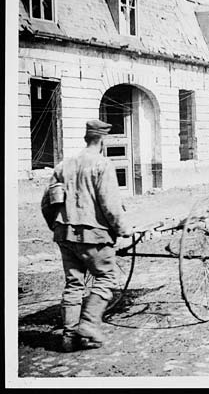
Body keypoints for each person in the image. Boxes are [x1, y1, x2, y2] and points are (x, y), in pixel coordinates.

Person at [41, 120, 133, 352]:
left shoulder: (64, 165)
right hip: (94, 235)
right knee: (105, 278)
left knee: (73, 283)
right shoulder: (103, 164)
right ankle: (89, 324)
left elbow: (46, 204)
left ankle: (69, 337)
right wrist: (124, 230)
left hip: (65, 233)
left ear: (86, 138)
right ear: (102, 140)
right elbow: (110, 204)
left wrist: (57, 227)